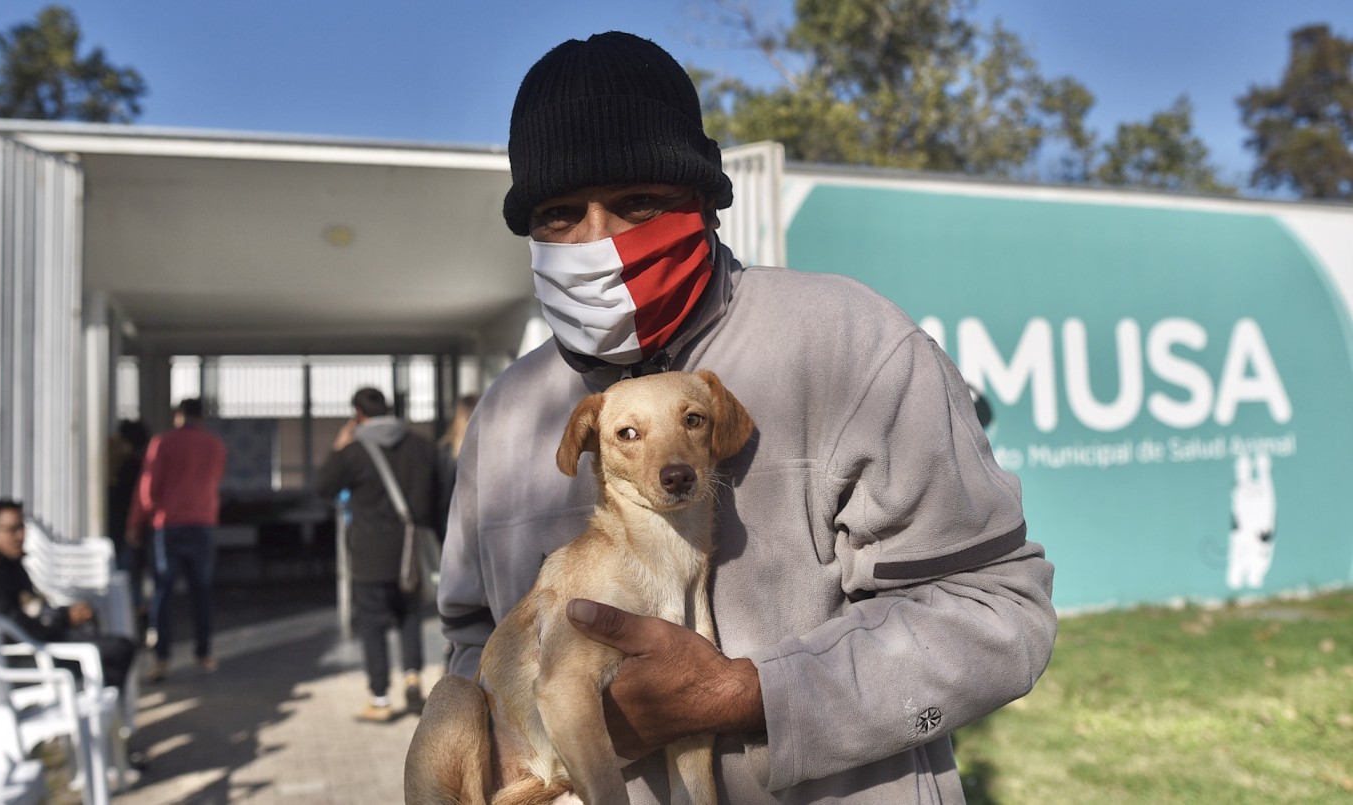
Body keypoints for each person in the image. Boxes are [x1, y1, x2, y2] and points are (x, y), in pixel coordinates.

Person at [437, 31, 1057, 803]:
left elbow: (996, 610)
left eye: (637, 201)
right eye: (560, 213)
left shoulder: (846, 341)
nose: (597, 240)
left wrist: (747, 694)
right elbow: (470, 636)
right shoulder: (506, 416)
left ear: (702, 198)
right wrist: (506, 754)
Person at [317, 387, 438, 722]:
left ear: (358, 414)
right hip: (409, 551)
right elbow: (437, 497)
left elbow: (323, 488)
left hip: (369, 554)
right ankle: (413, 676)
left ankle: (380, 699)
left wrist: (339, 446)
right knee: (409, 615)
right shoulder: (420, 446)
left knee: (373, 625)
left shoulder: (353, 452)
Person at [0, 500, 136, 692]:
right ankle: (92, 711)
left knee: (111, 644)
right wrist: (64, 620)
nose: (20, 536)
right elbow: (17, 628)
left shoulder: (3, 562)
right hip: (22, 663)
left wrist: (65, 615)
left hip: (32, 649)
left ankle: (95, 709)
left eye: (22, 527)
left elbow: (30, 608)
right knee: (115, 651)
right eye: (12, 529)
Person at [129, 398, 227, 682]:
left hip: (168, 526)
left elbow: (147, 489)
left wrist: (136, 522)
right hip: (203, 524)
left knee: (163, 591)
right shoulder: (215, 446)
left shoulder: (162, 443)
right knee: (201, 591)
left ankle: (161, 659)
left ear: (178, 415)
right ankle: (204, 653)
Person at [107, 419, 151, 632]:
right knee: (133, 577)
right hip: (135, 529)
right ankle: (138, 618)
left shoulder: (129, 467)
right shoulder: (143, 464)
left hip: (124, 530)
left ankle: (134, 621)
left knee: (126, 578)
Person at [433, 392, 478, 543]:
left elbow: (441, 493)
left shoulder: (446, 450)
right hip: (482, 521)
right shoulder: (489, 450)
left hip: (453, 522)